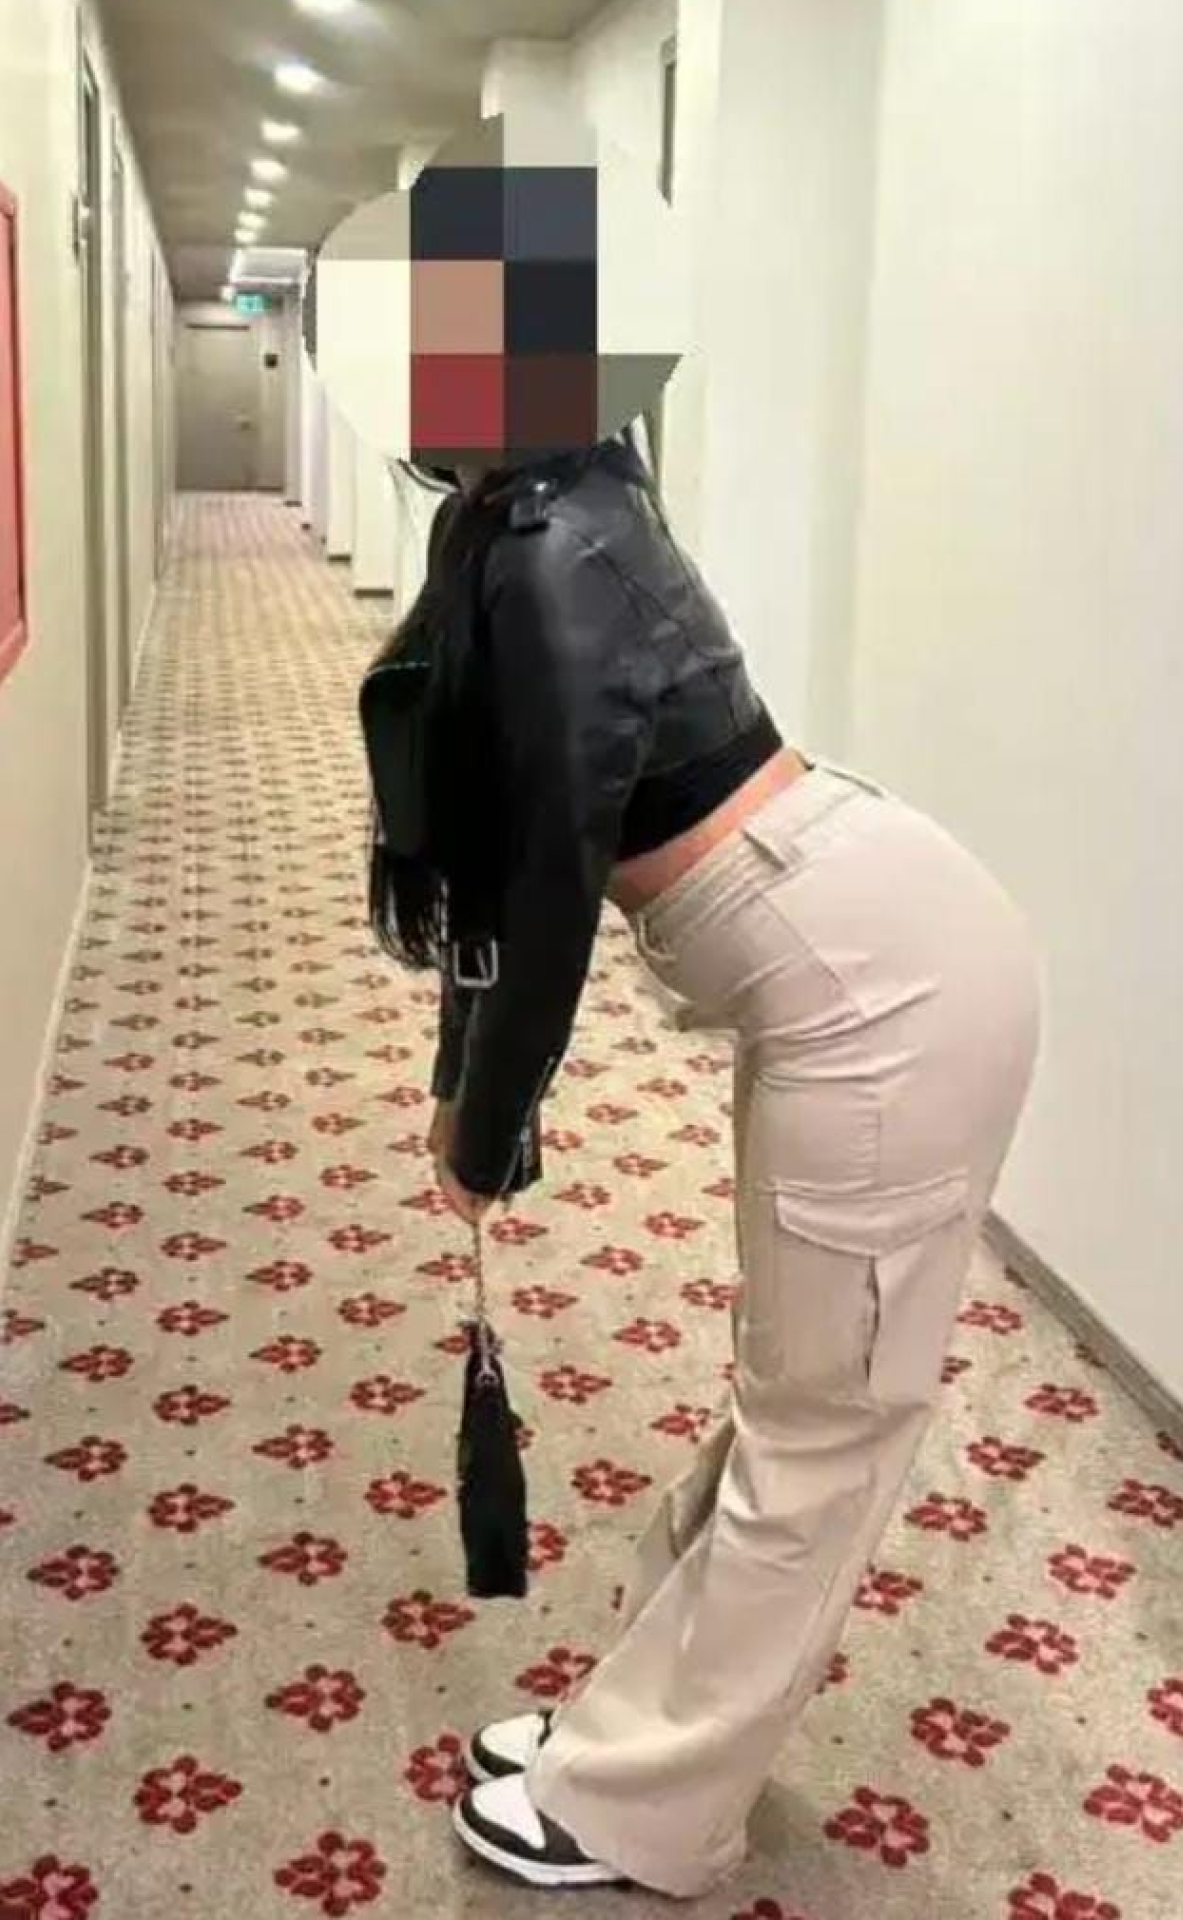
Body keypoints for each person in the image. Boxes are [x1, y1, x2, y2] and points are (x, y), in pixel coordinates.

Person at [398, 431, 1040, 1898]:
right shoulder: (515, 522)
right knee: (786, 1399)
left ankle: (648, 1807)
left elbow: (551, 884)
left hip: (888, 989)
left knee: (822, 1432)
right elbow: (495, 855)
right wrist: (458, 1088)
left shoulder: (558, 542)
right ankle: (628, 1736)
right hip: (846, 962)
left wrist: (487, 1126)